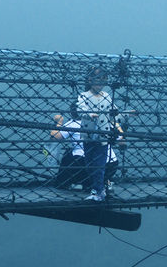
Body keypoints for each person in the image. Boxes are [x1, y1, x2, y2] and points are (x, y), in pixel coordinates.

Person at [75, 66, 122, 201]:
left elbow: (114, 111)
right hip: (88, 135)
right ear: (90, 80)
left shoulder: (107, 96)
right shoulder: (84, 96)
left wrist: (123, 114)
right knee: (89, 163)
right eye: (97, 80)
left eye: (102, 81)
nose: (99, 84)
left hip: (103, 136)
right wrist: (89, 114)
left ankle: (98, 190)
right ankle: (98, 186)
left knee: (99, 164)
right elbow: (80, 109)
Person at [49, 104, 88, 189]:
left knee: (68, 154)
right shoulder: (99, 121)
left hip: (82, 162)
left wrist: (58, 123)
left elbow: (55, 137)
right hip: (108, 162)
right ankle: (106, 183)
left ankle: (62, 183)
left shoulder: (73, 123)